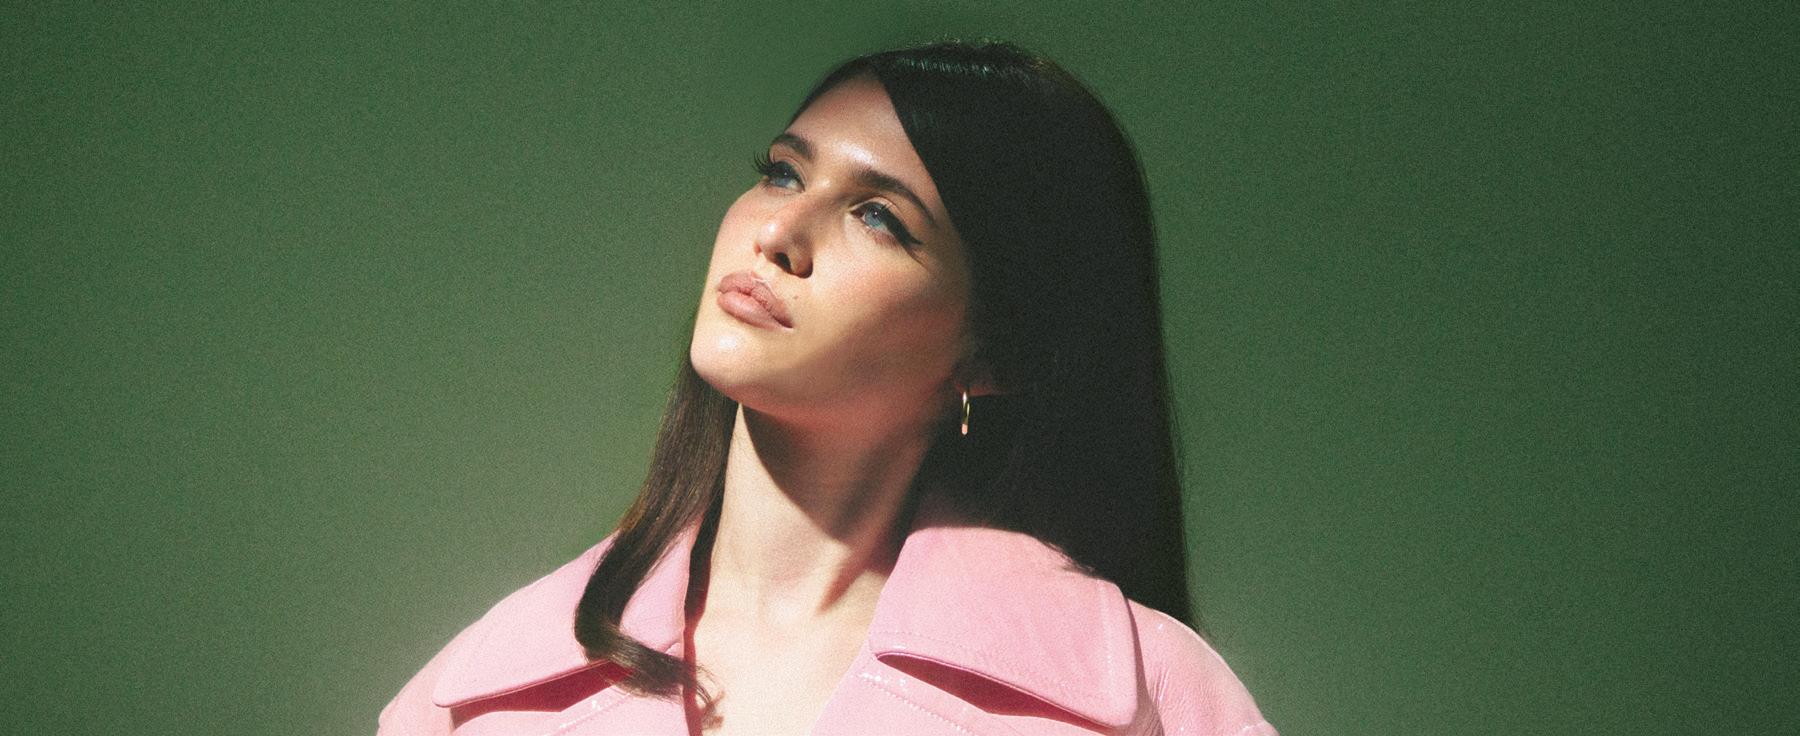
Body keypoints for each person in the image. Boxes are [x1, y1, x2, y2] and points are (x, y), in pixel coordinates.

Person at [380, 40, 1275, 735]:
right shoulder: (475, 701)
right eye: (783, 172)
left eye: (878, 217)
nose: (778, 233)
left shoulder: (1148, 699)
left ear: (995, 356)